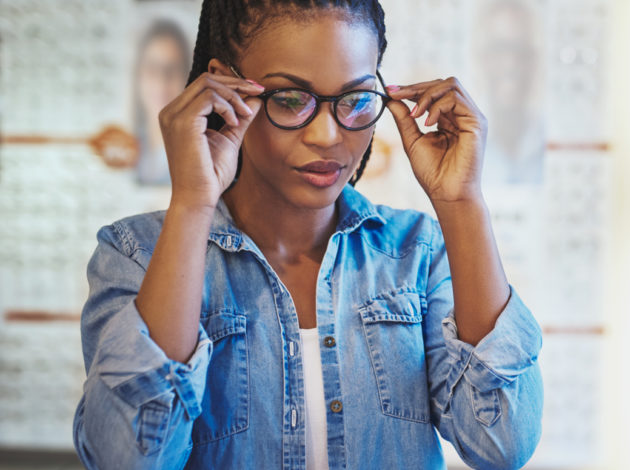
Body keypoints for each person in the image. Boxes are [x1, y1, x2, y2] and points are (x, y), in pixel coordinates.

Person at [71, 1, 543, 469]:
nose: (327, 135)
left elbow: (501, 442)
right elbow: (127, 459)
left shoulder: (417, 254)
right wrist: (193, 201)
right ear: (222, 84)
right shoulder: (136, 256)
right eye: (290, 99)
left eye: (356, 100)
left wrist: (462, 203)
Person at [133, 19, 192, 185]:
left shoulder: (197, 153)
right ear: (138, 76)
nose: (162, 81)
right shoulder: (127, 148)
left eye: (172, 69)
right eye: (152, 69)